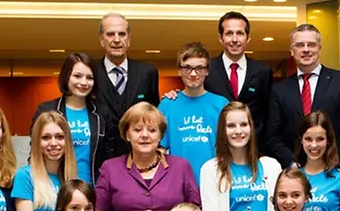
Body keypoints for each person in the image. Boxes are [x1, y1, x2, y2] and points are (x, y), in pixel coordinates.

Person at [265, 24, 340, 170]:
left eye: (311, 44)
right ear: (292, 50)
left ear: (319, 48)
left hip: (334, 170)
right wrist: (293, 163)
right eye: (299, 45)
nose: (306, 49)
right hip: (294, 173)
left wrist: (328, 158)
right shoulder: (279, 90)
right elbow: (272, 136)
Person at [158, 42, 229, 185]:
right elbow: (159, 150)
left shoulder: (221, 104)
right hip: (177, 184)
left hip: (216, 182)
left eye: (199, 68)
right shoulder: (167, 105)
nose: (193, 74)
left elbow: (232, 147)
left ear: (207, 71)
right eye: (187, 68)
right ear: (179, 70)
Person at [94, 12, 160, 162]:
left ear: (128, 39)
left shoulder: (147, 72)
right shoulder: (90, 72)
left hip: (140, 158)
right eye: (110, 34)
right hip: (100, 159)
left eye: (122, 34)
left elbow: (154, 114)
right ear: (102, 40)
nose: (117, 40)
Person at [31, 53, 105, 184]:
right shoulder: (46, 110)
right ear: (66, 77)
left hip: (92, 188)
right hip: (54, 185)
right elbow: (35, 150)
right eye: (77, 76)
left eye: (89, 77)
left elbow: (108, 156)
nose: (84, 82)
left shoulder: (102, 113)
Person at [205, 11, 272, 141]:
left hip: (253, 146)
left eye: (240, 33)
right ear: (220, 38)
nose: (234, 39)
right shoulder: (208, 69)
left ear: (248, 38)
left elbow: (267, 113)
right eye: (229, 33)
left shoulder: (263, 71)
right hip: (215, 143)